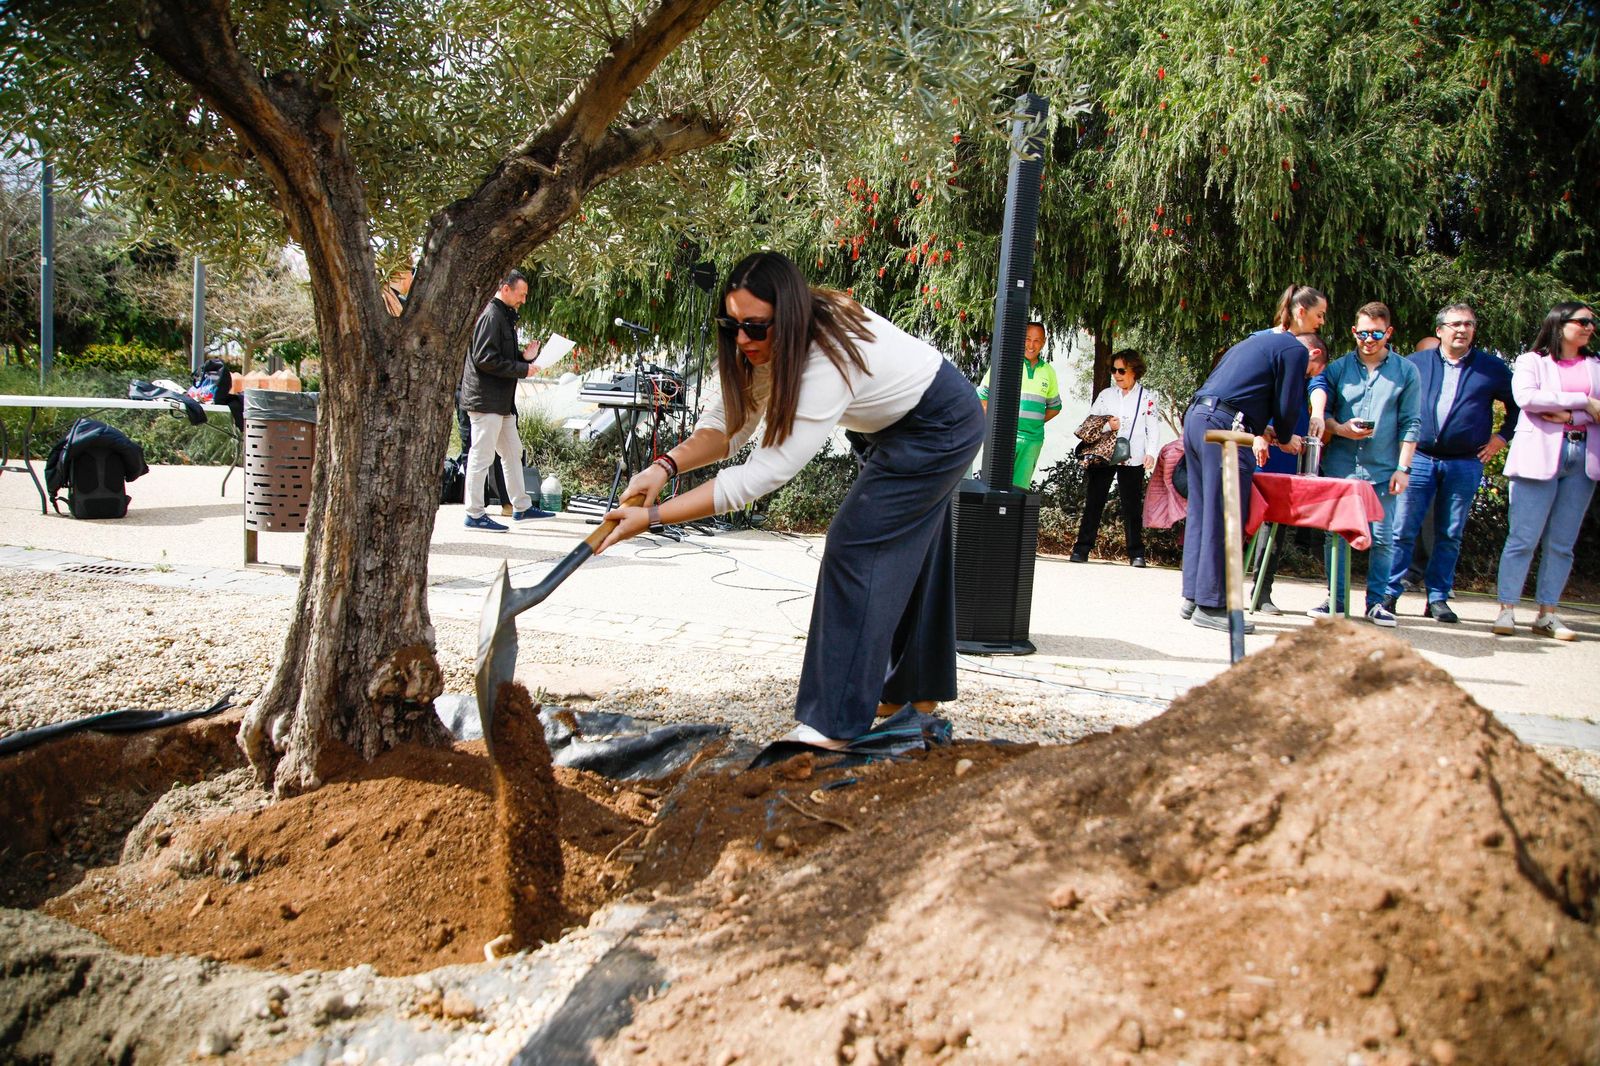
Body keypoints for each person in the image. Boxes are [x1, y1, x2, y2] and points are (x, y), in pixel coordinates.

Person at [598, 252, 986, 748]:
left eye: (755, 327)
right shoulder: (761, 345)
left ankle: (832, 726)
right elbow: (728, 429)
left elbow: (758, 477)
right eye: (731, 324)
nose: (742, 339)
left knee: (858, 547)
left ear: (790, 315)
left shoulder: (824, 359)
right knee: (908, 549)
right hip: (893, 426)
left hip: (940, 424)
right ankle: (913, 690)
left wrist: (652, 517)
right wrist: (661, 468)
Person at [1382, 303, 1518, 623]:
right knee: (1402, 529)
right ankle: (1388, 594)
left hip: (1464, 462)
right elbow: (1390, 404)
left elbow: (1518, 406)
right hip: (1419, 458)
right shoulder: (1414, 364)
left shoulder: (1491, 368)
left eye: (1468, 324)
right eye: (1455, 324)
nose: (1462, 330)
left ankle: (1438, 598)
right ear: (1440, 330)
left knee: (1450, 532)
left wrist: (1501, 438)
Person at [1179, 330, 1310, 632]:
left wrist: (1266, 433)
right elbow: (1287, 406)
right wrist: (1287, 436)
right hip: (1226, 429)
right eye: (1319, 315)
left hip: (1200, 417)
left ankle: (1194, 597)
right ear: (1313, 356)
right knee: (1228, 516)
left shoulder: (1252, 344)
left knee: (1203, 512)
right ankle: (1214, 606)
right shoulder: (1294, 350)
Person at [1492, 302, 1600, 641]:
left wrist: (1569, 416)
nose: (1589, 326)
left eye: (1592, 322)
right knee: (1523, 538)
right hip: (1538, 455)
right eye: (1582, 321)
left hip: (1583, 457)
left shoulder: (1596, 365)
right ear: (1559, 323)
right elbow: (1527, 398)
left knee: (1562, 543)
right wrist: (1585, 403)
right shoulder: (1531, 361)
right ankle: (1507, 609)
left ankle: (1547, 614)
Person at [1311, 301, 1421, 626]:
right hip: (1341, 466)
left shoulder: (1406, 371)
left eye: (1375, 333)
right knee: (1337, 536)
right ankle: (1336, 599)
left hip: (1384, 468)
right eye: (1362, 333)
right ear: (1353, 332)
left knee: (1384, 538)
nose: (1368, 340)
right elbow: (1321, 407)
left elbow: (1411, 422)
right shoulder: (1339, 368)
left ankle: (1377, 602)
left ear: (1388, 333)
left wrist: (1404, 468)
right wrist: (1339, 428)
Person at [460, 269, 551, 530]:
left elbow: (501, 357)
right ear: (506, 288)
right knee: (482, 455)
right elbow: (485, 358)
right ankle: (474, 512)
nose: (523, 300)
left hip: (501, 402)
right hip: (486, 401)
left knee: (513, 452)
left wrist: (524, 357)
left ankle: (521, 506)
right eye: (521, 294)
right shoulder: (491, 315)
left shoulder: (503, 316)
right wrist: (522, 369)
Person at [1249, 333, 1330, 614]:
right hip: (1256, 451)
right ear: (1313, 354)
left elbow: (1319, 384)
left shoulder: (1308, 378)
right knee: (1237, 521)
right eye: (1312, 369)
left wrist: (1318, 413)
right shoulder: (1272, 365)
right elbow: (1250, 402)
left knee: (1275, 526)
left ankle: (1262, 592)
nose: (1311, 376)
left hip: (1286, 459)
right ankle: (1218, 592)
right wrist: (1258, 434)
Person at [1071, 348, 1160, 566]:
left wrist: (1151, 453)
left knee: (1131, 506)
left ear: (1134, 371)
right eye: (1114, 370)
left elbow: (1153, 428)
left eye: (1122, 370)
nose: (1117, 375)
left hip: (1133, 456)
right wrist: (1107, 426)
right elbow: (1090, 423)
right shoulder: (1106, 395)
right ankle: (1082, 549)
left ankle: (1136, 553)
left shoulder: (1147, 397)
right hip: (1104, 455)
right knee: (1094, 501)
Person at [976, 321, 1060, 488]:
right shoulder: (1005, 364)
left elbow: (1055, 408)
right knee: (993, 487)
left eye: (1037, 340)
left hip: (1032, 441)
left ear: (1043, 342)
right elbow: (982, 396)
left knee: (1019, 491)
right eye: (1027, 339)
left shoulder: (1048, 372)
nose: (1031, 345)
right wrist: (995, 425)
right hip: (1003, 437)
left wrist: (1033, 422)